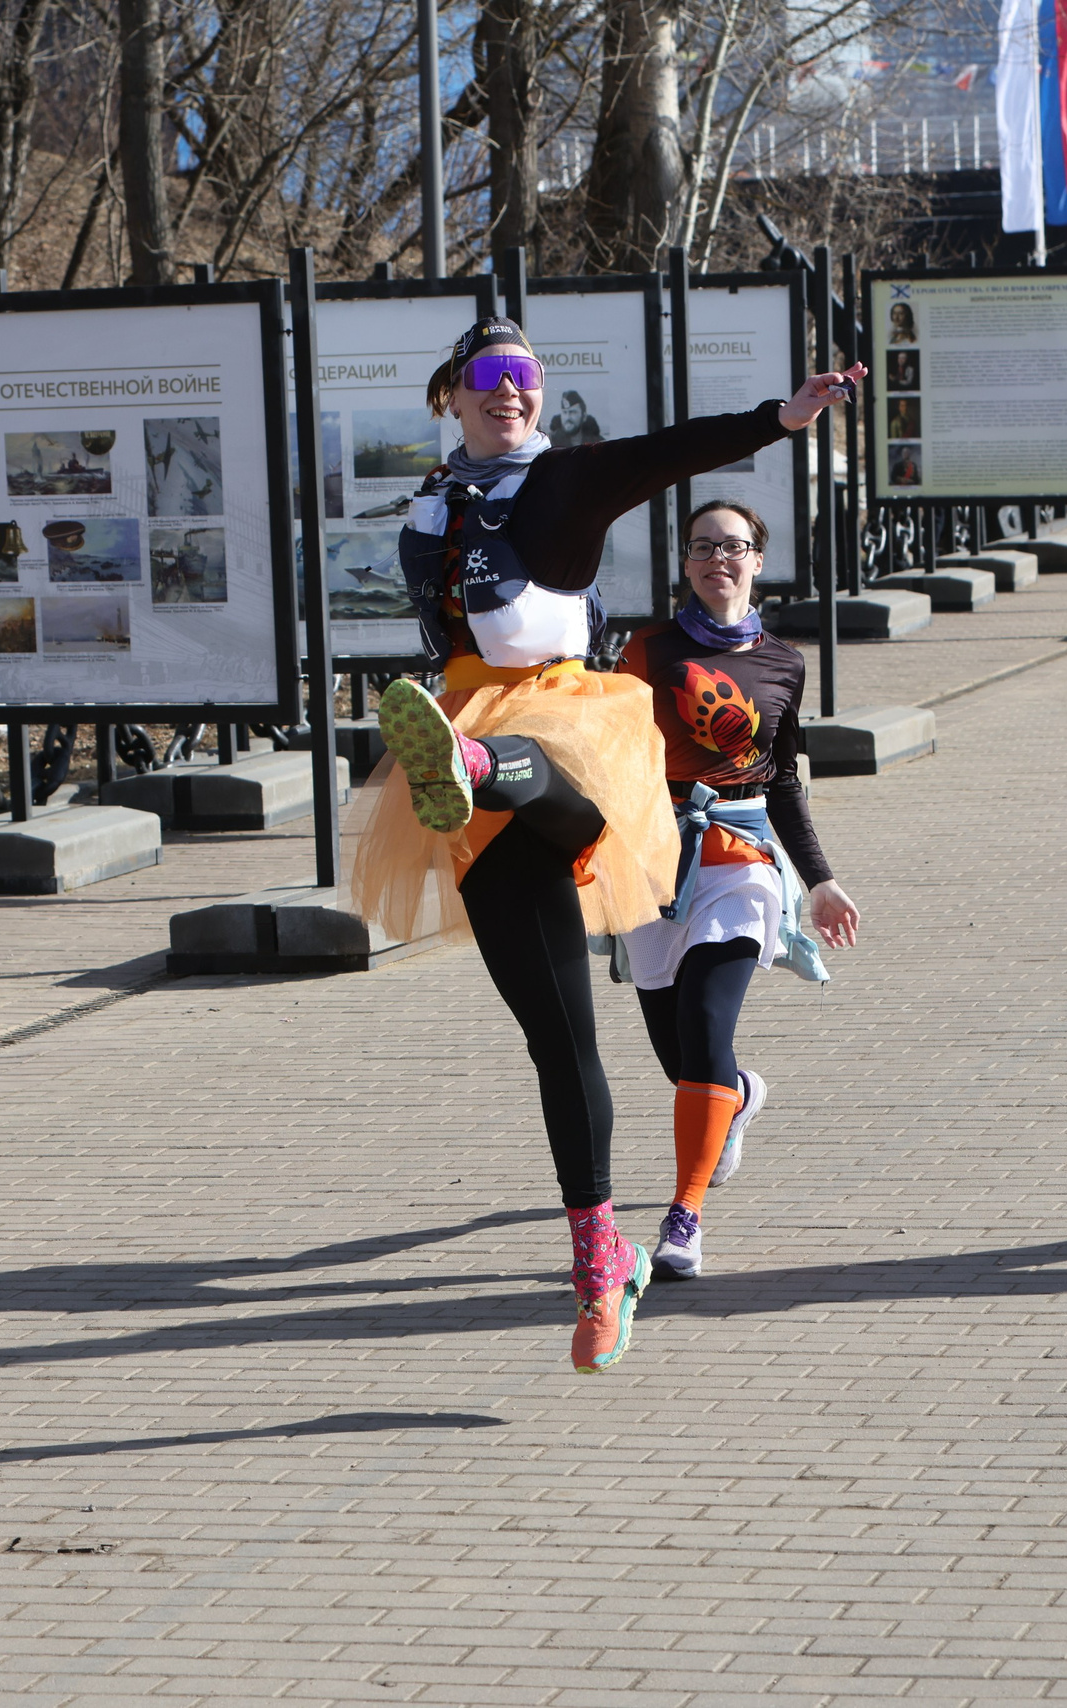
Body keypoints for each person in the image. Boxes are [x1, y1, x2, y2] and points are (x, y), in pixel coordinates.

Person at [353, 316, 865, 1371]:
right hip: (458, 725)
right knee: (557, 1035)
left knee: (527, 771)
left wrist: (778, 416)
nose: (511, 393)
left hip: (564, 734)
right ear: (451, 392)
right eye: (490, 377)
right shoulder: (435, 496)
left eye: (526, 377)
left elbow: (665, 451)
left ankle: (476, 769)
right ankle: (603, 1254)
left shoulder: (563, 484)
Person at [618, 500, 860, 1280]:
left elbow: (782, 778)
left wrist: (818, 878)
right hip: (652, 856)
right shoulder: (647, 649)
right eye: (702, 547)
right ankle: (742, 1092)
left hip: (740, 855)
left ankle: (683, 1215)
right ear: (685, 562)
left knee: (703, 1018)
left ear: (759, 558)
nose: (717, 558)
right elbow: (611, 753)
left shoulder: (784, 662)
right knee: (684, 1057)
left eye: (734, 546)